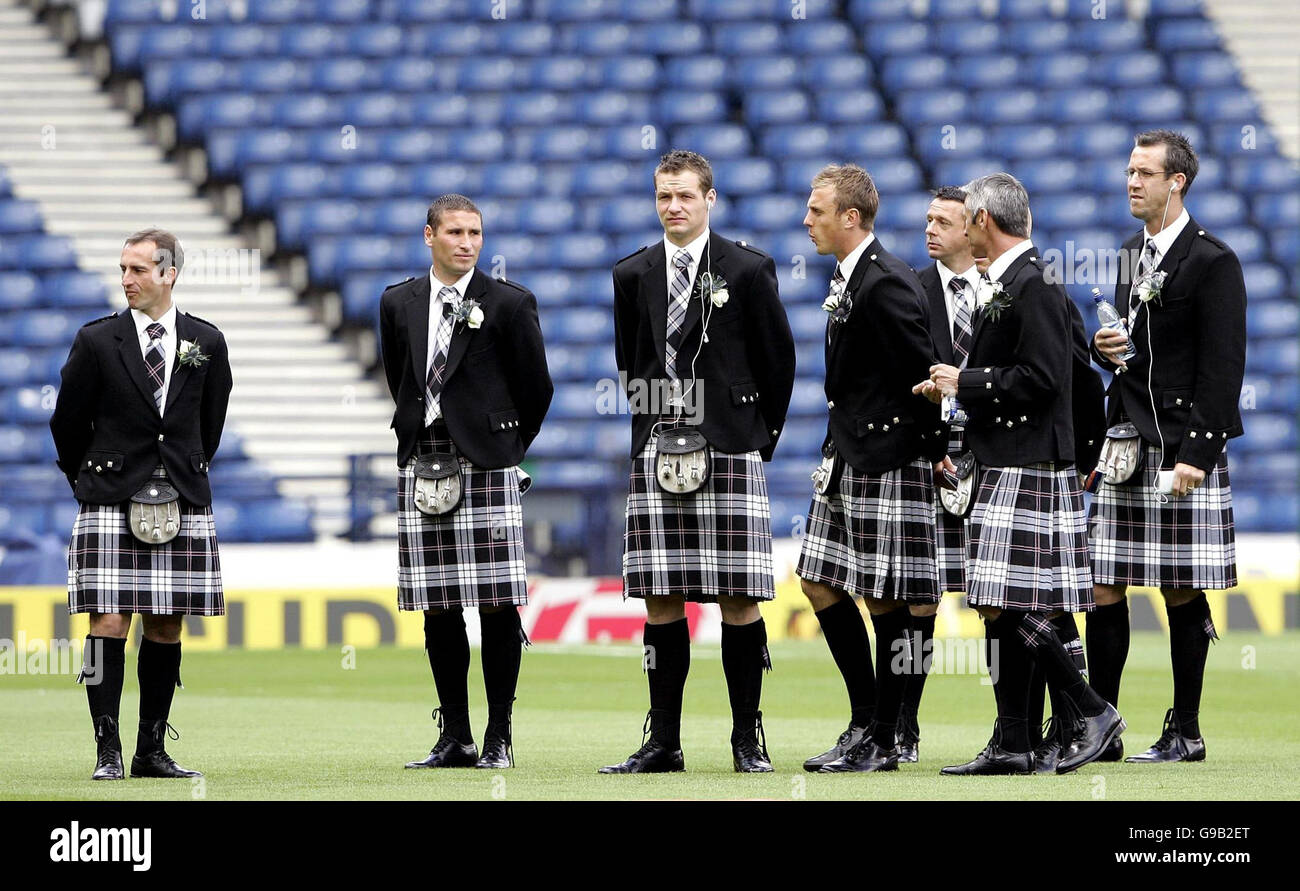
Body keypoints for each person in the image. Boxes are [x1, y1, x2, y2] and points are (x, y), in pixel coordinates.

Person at [915, 173, 1122, 775]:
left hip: (1027, 461)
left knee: (1011, 599)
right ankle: (1014, 743)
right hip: (1012, 458)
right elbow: (1064, 377)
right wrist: (954, 387)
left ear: (983, 221)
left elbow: (1046, 378)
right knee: (997, 601)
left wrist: (967, 382)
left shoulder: (1033, 284)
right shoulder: (1015, 283)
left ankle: (1090, 711)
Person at [602, 150, 796, 774]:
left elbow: (778, 364)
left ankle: (748, 741)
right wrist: (651, 428)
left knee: (738, 598)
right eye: (664, 196)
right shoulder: (632, 273)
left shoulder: (747, 267)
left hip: (732, 447)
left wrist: (753, 440)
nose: (673, 207)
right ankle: (664, 743)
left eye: (685, 196)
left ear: (710, 199)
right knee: (661, 597)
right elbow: (631, 367)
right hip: (661, 446)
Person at [51, 228, 232, 780]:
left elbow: (211, 422)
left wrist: (183, 467)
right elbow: (66, 421)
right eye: (122, 269)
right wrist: (89, 479)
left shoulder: (207, 340)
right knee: (107, 619)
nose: (126, 280)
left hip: (180, 494)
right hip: (109, 493)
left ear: (167, 273)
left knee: (166, 625)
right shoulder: (97, 340)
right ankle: (106, 752)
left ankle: (150, 750)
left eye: (137, 270)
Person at [1088, 130, 1246, 764]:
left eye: (1144, 172)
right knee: (1103, 582)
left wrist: (1197, 456)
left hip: (1180, 447)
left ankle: (1186, 728)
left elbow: (1222, 366)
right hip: (1126, 440)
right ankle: (1100, 726)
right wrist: (1112, 354)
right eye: (1129, 170)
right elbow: (1142, 356)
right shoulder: (1131, 251)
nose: (1131, 181)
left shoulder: (1213, 261)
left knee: (1179, 586)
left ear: (1176, 181)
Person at [379, 194, 553, 770]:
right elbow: (399, 376)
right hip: (423, 461)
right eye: (455, 232)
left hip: (488, 464)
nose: (468, 242)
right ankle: (455, 735)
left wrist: (502, 447)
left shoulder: (509, 303)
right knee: (438, 604)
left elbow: (537, 390)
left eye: (476, 233)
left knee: (498, 602)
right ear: (429, 236)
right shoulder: (397, 302)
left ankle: (499, 735)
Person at [796, 164, 948, 773]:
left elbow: (927, 380)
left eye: (817, 211)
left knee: (889, 599)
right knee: (818, 581)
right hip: (846, 455)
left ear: (850, 218)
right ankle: (868, 720)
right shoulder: (853, 278)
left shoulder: (886, 283)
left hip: (888, 458)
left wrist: (930, 451)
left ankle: (885, 735)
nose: (807, 220)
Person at [907, 185, 982, 762]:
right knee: (919, 596)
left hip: (994, 454)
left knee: (1010, 593)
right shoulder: (908, 286)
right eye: (927, 219)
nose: (930, 228)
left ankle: (1026, 729)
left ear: (972, 227)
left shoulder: (1008, 287)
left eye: (942, 221)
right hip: (927, 454)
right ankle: (901, 728)